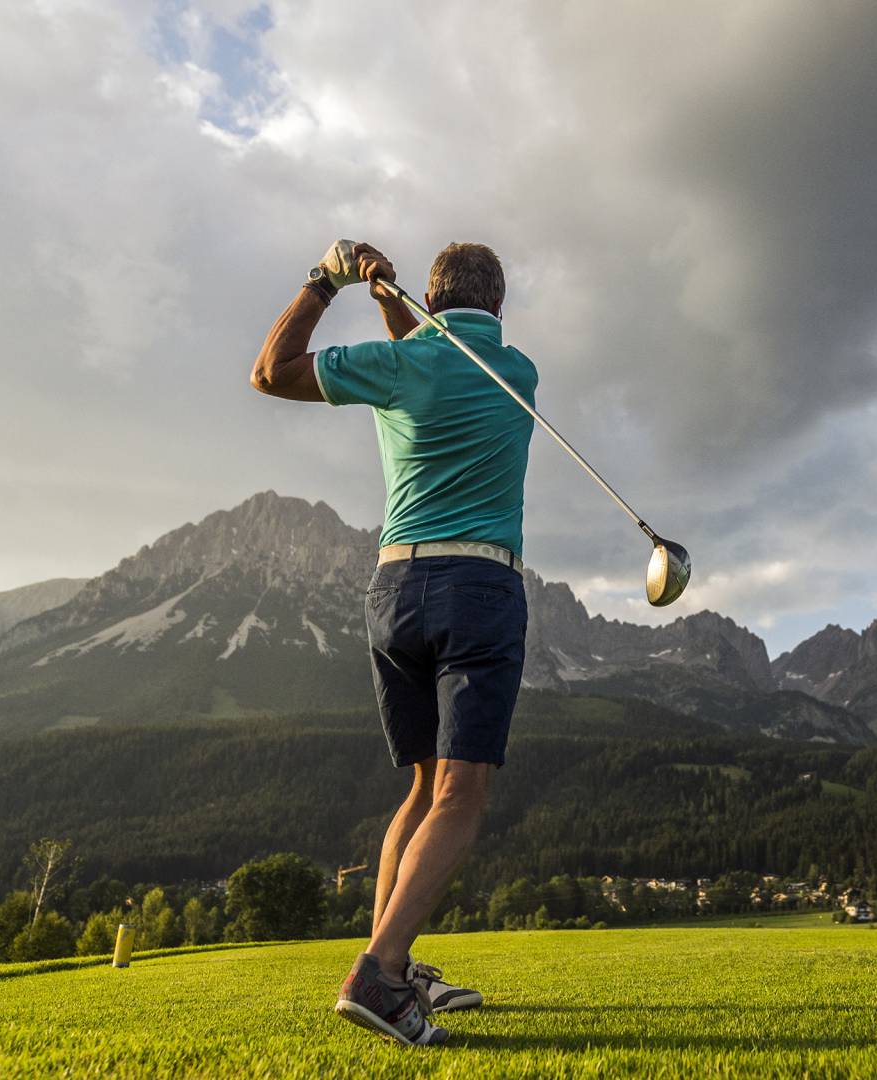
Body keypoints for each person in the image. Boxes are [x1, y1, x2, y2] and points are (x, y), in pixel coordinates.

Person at [249, 239, 536, 1046]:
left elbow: (272, 373)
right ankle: (379, 974)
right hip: (479, 587)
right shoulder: (518, 374)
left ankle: (396, 969)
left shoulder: (398, 363)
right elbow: (432, 344)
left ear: (431, 302)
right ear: (499, 308)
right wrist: (385, 297)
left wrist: (327, 282)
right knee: (460, 794)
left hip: (394, 591)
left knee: (420, 789)